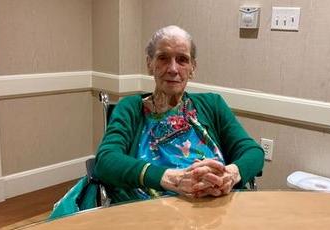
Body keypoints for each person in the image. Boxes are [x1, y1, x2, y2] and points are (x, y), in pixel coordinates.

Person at [93, 25, 264, 203]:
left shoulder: (213, 104)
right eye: (163, 58)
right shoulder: (130, 108)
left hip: (215, 207)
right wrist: (171, 179)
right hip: (149, 212)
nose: (173, 69)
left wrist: (229, 175)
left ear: (192, 68)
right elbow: (106, 161)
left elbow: (253, 152)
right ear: (149, 64)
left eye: (182, 59)